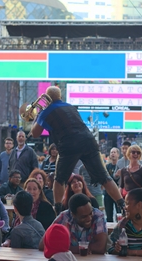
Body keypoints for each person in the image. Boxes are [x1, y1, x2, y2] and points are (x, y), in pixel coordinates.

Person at [30, 86, 123, 214]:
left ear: (47, 99)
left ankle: (57, 210)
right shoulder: (70, 106)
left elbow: (35, 133)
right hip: (88, 140)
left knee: (59, 179)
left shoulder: (46, 110)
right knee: (104, 177)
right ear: (60, 97)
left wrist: (38, 114)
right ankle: (123, 205)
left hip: (69, 143)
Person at [40, 193, 107, 254]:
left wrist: (64, 249)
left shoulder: (98, 216)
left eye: (90, 213)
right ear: (73, 214)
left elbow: (101, 248)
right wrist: (82, 249)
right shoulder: (64, 217)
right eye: (84, 216)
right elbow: (43, 244)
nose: (89, 218)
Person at [104, 147, 121, 222]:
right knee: (108, 215)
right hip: (108, 193)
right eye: (111, 152)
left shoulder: (120, 166)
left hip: (118, 192)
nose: (112, 154)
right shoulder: (107, 166)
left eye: (114, 152)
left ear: (118, 154)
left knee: (119, 213)